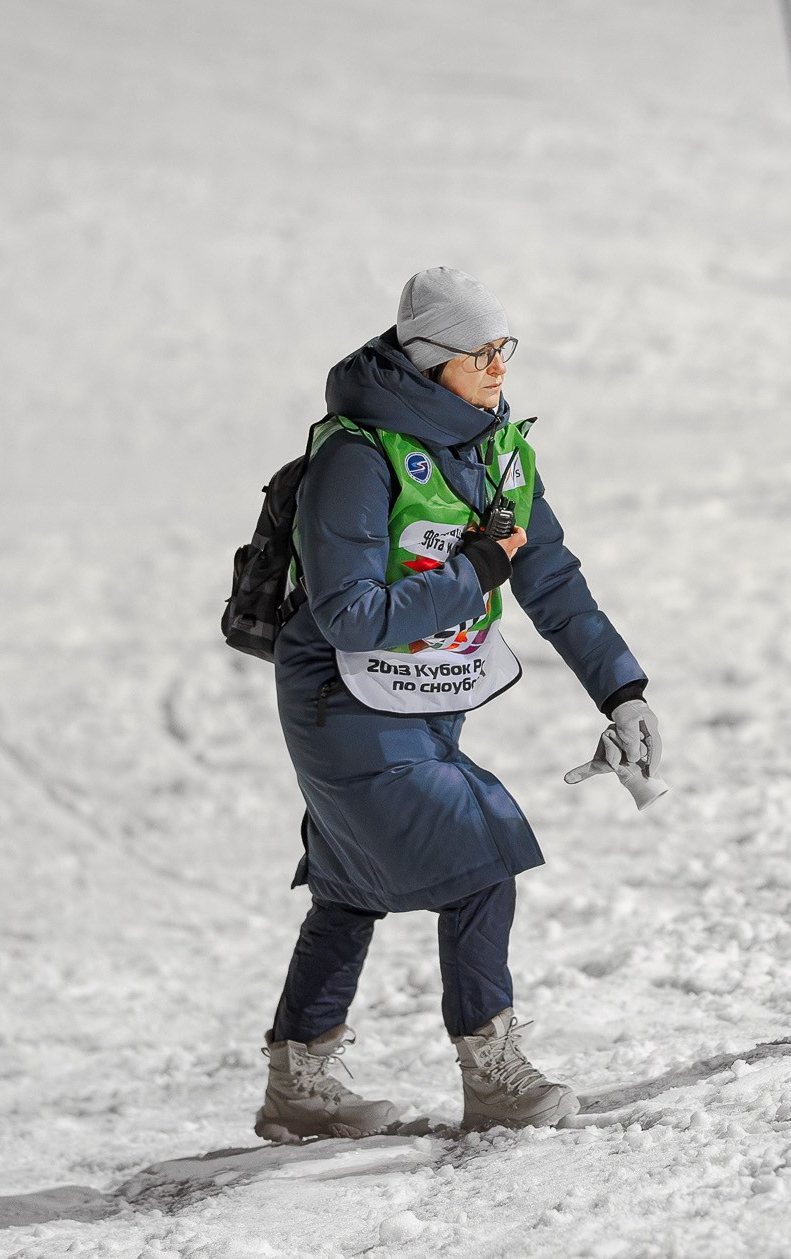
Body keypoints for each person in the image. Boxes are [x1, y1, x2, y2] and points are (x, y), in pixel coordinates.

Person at [256, 267, 664, 1140]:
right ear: (431, 359)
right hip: (340, 697)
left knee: (350, 885)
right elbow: (351, 616)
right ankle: (493, 1071)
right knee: (483, 849)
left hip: (427, 699)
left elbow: (552, 579)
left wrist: (622, 688)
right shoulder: (355, 459)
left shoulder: (498, 452)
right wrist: (477, 570)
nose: (498, 367)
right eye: (481, 352)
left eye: (503, 348)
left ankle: (299, 1084)